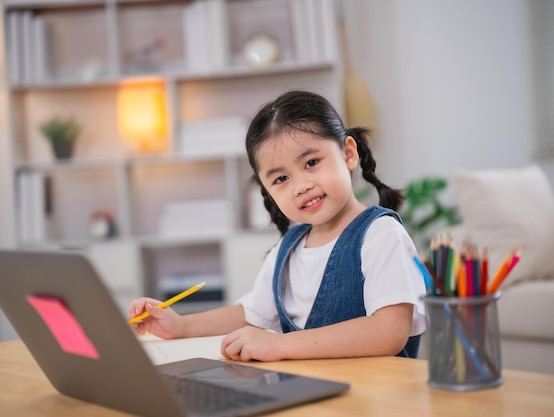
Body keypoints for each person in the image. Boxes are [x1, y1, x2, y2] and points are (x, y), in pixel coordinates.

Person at [129, 90, 427, 362]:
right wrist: (180, 325)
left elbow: (389, 332)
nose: (301, 186)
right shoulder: (289, 247)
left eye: (311, 162)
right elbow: (251, 316)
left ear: (348, 153)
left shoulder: (381, 235)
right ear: (267, 190)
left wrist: (279, 345)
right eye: (281, 179)